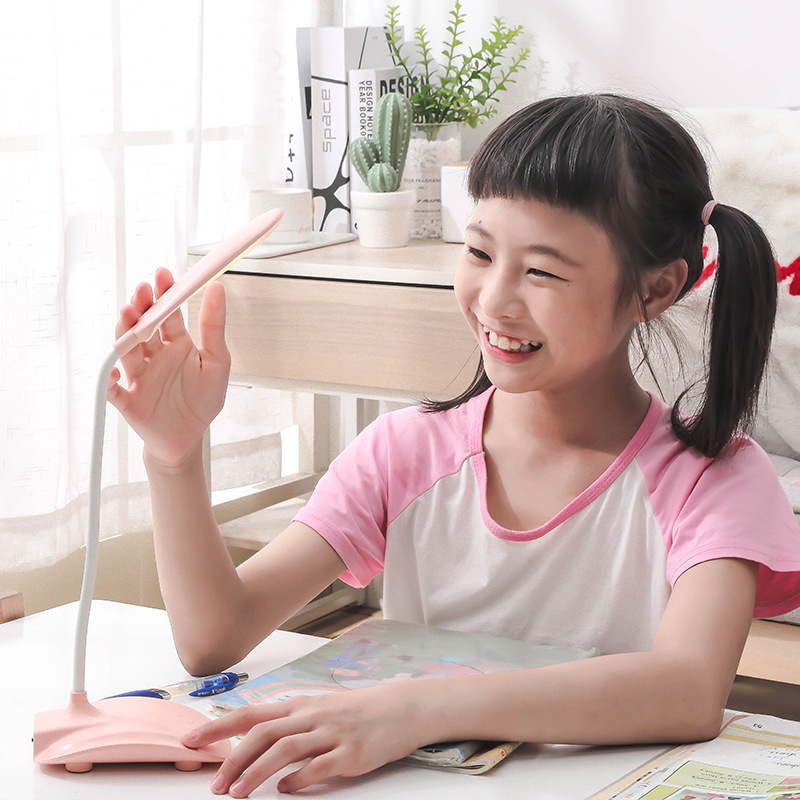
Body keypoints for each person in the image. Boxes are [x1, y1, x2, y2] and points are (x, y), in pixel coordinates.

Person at [108, 94, 800, 796]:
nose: (494, 300)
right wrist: (174, 457)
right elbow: (213, 637)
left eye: (543, 271)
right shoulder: (404, 451)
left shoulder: (713, 479)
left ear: (656, 289)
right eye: (479, 252)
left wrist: (418, 709)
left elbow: (688, 689)